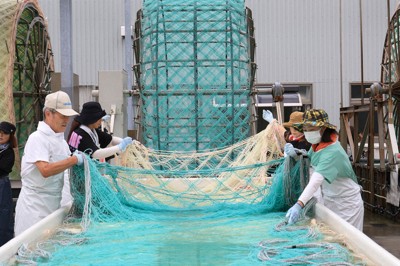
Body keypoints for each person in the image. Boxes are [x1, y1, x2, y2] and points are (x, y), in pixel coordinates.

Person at [14, 91, 83, 236]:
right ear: (48, 114)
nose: (66, 120)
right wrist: (72, 160)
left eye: (68, 116)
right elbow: (45, 170)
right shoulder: (37, 138)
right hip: (34, 208)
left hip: (53, 205)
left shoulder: (60, 141)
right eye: (62, 116)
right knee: (30, 249)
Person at [285, 109, 364, 231]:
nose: (307, 133)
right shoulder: (317, 145)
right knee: (331, 238)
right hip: (330, 199)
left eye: (311, 130)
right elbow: (309, 159)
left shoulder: (332, 151)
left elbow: (316, 181)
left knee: (345, 242)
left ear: (323, 129)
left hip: (347, 204)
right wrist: (297, 155)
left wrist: (299, 204)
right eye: (305, 130)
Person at [67, 101, 133, 162]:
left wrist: (127, 143)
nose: (101, 121)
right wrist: (120, 147)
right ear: (92, 119)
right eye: (99, 119)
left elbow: (110, 139)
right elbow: (96, 154)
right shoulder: (81, 134)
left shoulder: (92, 130)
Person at [0, 121, 17, 245]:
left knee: (4, 216)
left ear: (10, 136)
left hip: (2, 185)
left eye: (4, 134)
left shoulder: (9, 152)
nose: (1, 136)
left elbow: (2, 169)